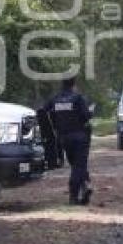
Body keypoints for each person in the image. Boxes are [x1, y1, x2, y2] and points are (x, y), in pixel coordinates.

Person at [44, 77, 93, 205]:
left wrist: (51, 127)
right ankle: (74, 196)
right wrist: (91, 111)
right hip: (80, 137)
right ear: (74, 84)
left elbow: (43, 111)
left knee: (77, 164)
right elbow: (86, 116)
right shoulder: (78, 98)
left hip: (63, 138)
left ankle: (86, 185)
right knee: (78, 166)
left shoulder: (55, 99)